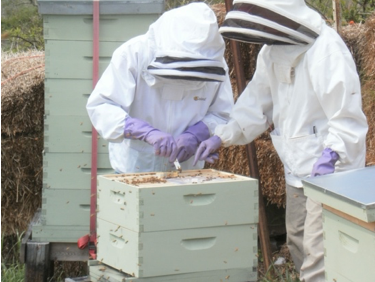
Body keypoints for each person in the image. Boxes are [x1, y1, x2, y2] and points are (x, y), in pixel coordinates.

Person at [194, 0, 368, 281]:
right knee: (298, 241)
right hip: (296, 167)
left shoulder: (326, 48)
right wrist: (222, 136)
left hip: (328, 171)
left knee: (318, 252)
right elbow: (255, 104)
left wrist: (333, 155)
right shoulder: (271, 52)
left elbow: (346, 115)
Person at [86, 3, 234, 174]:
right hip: (133, 169)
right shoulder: (133, 54)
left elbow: (223, 113)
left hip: (187, 172)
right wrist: (142, 131)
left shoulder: (213, 65)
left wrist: (197, 134)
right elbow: (102, 106)